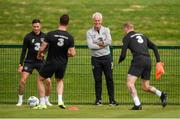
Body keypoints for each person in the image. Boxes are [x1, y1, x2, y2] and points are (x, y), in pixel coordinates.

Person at [118, 22, 167, 110]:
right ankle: (161, 94)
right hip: (148, 61)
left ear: (126, 28)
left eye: (124, 30)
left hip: (138, 60)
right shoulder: (142, 35)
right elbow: (154, 46)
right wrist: (158, 61)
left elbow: (123, 55)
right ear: (133, 28)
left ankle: (137, 104)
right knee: (145, 87)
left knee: (130, 83)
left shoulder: (127, 37)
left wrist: (119, 61)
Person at [33, 14, 76, 109]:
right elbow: (73, 53)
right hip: (62, 63)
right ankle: (60, 101)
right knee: (59, 80)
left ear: (59, 22)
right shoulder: (70, 37)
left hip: (51, 62)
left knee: (40, 79)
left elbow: (42, 48)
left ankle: (42, 103)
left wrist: (39, 54)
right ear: (67, 24)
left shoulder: (51, 34)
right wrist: (66, 54)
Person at [16, 19, 52, 106]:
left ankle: (47, 100)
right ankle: (20, 100)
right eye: (34, 26)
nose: (36, 28)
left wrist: (44, 53)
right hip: (29, 62)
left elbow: (47, 47)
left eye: (37, 26)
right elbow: (24, 51)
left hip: (40, 62)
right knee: (22, 80)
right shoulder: (28, 37)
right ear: (32, 26)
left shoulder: (45, 36)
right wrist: (20, 64)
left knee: (48, 81)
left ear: (40, 26)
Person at [86, 12, 118, 106]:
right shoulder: (89, 32)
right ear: (93, 21)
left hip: (107, 58)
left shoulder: (106, 30)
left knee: (109, 79)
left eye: (98, 20)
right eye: (95, 20)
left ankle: (112, 100)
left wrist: (98, 44)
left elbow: (109, 41)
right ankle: (98, 100)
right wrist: (101, 45)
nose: (97, 22)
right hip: (95, 59)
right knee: (97, 80)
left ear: (101, 20)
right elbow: (90, 45)